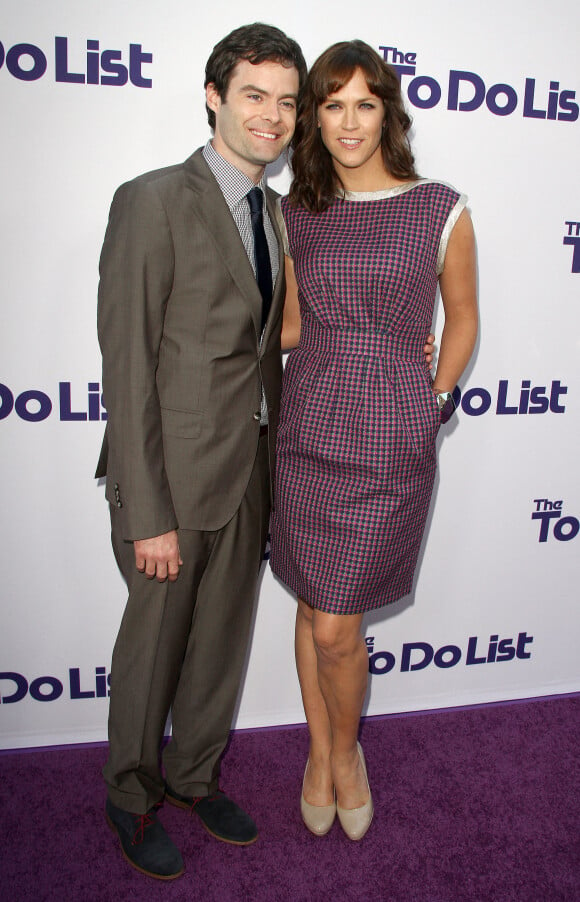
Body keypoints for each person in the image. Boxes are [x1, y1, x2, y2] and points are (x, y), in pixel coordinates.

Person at [96, 23, 307, 880]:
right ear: (215, 96)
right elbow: (129, 359)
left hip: (248, 471)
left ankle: (192, 775)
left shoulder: (281, 214)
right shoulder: (153, 199)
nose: (274, 116)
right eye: (254, 95)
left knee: (220, 644)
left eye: (288, 101)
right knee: (153, 655)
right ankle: (129, 792)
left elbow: (268, 343)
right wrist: (145, 510)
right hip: (172, 483)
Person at [270, 40, 478, 841]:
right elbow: (288, 324)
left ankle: (347, 753)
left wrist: (436, 395)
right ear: (313, 118)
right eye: (331, 104)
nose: (348, 122)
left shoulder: (440, 207)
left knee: (336, 625)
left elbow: (460, 316)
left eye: (365, 103)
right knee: (312, 599)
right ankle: (320, 753)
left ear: (388, 111)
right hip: (308, 423)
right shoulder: (295, 212)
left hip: (391, 433)